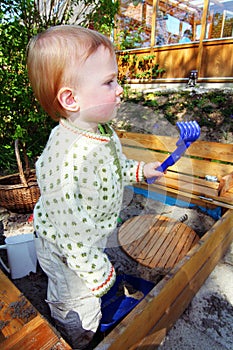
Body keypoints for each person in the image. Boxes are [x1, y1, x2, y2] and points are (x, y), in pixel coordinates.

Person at [26, 25, 164, 349]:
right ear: (71, 98)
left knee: (88, 281)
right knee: (76, 300)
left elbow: (114, 167)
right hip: (64, 248)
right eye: (109, 82)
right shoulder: (65, 161)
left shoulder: (100, 130)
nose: (120, 90)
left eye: (116, 79)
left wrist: (142, 170)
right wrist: (99, 274)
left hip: (87, 239)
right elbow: (72, 238)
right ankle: (77, 335)